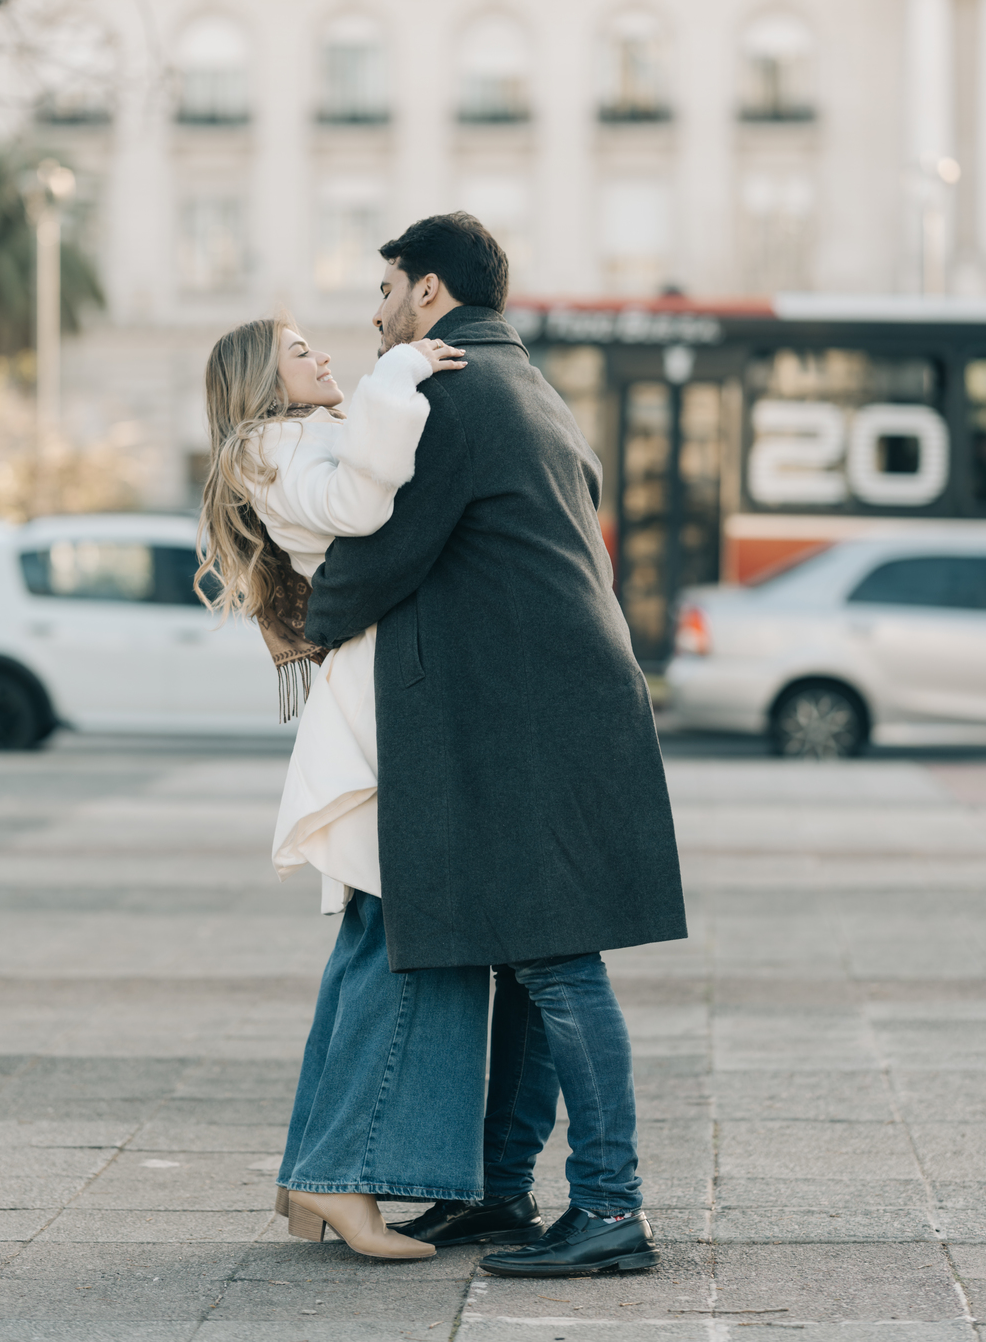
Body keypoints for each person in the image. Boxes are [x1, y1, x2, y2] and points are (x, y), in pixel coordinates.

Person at [305, 211, 689, 1279]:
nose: (376, 316)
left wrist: (304, 617)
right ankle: (506, 1195)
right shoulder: (526, 383)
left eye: (385, 293)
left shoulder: (454, 392)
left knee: (561, 968)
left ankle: (611, 1208)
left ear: (429, 292)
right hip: (556, 708)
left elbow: (383, 548)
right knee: (530, 964)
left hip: (534, 719)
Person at [196, 316, 492, 1263]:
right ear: (261, 381)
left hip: (375, 701)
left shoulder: (283, 442)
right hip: (380, 712)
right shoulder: (274, 445)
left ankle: (314, 1177)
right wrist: (400, 368)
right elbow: (363, 507)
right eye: (297, 350)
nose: (322, 354)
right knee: (407, 948)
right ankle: (339, 1176)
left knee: (375, 946)